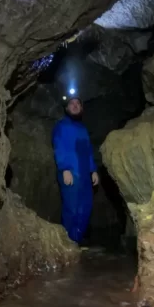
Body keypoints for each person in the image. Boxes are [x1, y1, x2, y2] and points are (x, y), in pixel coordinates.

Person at [52, 96, 99, 243]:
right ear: (66, 108)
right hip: (71, 173)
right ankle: (68, 242)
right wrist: (65, 169)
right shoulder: (61, 126)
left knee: (85, 208)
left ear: (81, 109)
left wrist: (93, 170)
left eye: (78, 103)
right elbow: (59, 147)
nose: (75, 105)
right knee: (71, 209)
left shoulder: (83, 129)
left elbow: (88, 151)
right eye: (71, 103)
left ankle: (76, 241)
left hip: (84, 175)